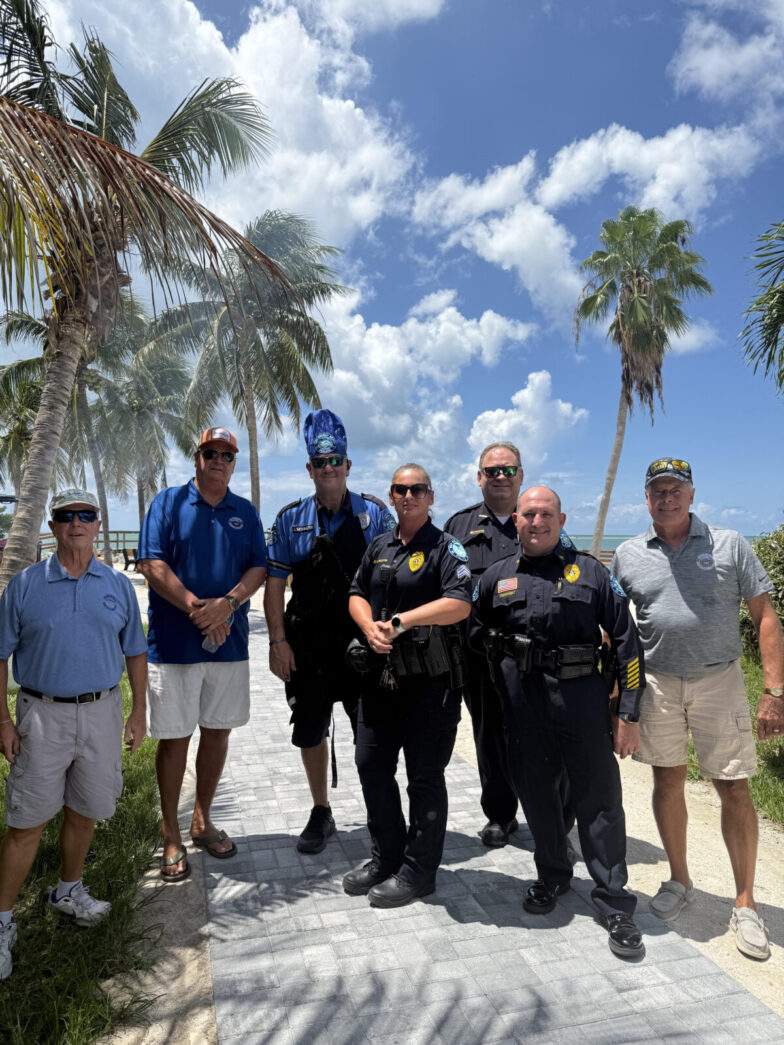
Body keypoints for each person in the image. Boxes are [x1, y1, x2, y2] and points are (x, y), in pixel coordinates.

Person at [612, 457, 784, 960]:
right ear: (646, 499)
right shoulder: (626, 555)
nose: (666, 498)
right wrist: (617, 698)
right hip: (657, 684)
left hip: (720, 680)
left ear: (692, 495)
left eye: (675, 490)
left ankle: (746, 902)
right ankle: (680, 879)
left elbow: (765, 617)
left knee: (732, 785)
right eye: (657, 491)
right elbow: (614, 626)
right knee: (666, 780)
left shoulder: (729, 544)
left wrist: (774, 690)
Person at [469, 487, 646, 958]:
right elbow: (472, 629)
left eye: (546, 513)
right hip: (523, 706)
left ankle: (614, 901)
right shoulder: (496, 577)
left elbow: (627, 642)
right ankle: (551, 876)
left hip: (582, 703)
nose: (537, 521)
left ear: (561, 518)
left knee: (600, 802)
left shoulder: (591, 571)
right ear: (518, 521)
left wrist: (627, 711)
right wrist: (499, 651)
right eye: (529, 514)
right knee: (539, 798)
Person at [0, 489, 147, 980]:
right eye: (67, 516)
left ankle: (68, 890)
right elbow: (0, 656)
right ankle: (1, 922)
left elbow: (135, 652)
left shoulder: (117, 585)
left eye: (86, 515)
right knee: (27, 822)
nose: (77, 523)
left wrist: (138, 712)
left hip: (103, 712)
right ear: (53, 523)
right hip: (41, 715)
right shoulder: (24, 586)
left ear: (98, 524)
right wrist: (2, 720)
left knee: (85, 811)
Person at [138, 428, 267, 881]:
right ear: (197, 459)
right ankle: (170, 831)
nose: (218, 461)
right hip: (175, 645)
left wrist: (228, 604)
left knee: (218, 733)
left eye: (227, 456)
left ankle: (202, 818)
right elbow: (152, 564)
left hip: (229, 645)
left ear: (234, 464)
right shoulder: (167, 503)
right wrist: (196, 607)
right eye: (210, 453)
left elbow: (259, 566)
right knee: (176, 738)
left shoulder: (245, 511)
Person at [264, 409, 394, 854]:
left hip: (363, 646)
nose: (329, 469)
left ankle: (382, 813)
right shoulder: (289, 520)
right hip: (308, 649)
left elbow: (393, 581)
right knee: (310, 729)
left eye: (336, 460)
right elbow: (275, 586)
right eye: (320, 463)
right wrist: (276, 641)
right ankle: (321, 810)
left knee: (372, 733)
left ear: (348, 465)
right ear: (310, 469)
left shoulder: (375, 516)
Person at [343, 464, 472, 908]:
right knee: (371, 766)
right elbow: (356, 592)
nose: (409, 495)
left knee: (423, 778)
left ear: (431, 496)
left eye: (418, 489)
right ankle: (387, 857)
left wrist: (398, 623)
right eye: (400, 489)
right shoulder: (379, 544)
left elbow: (459, 604)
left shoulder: (444, 547)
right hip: (380, 681)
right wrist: (370, 628)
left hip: (429, 685)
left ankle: (419, 871)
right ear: (392, 496)